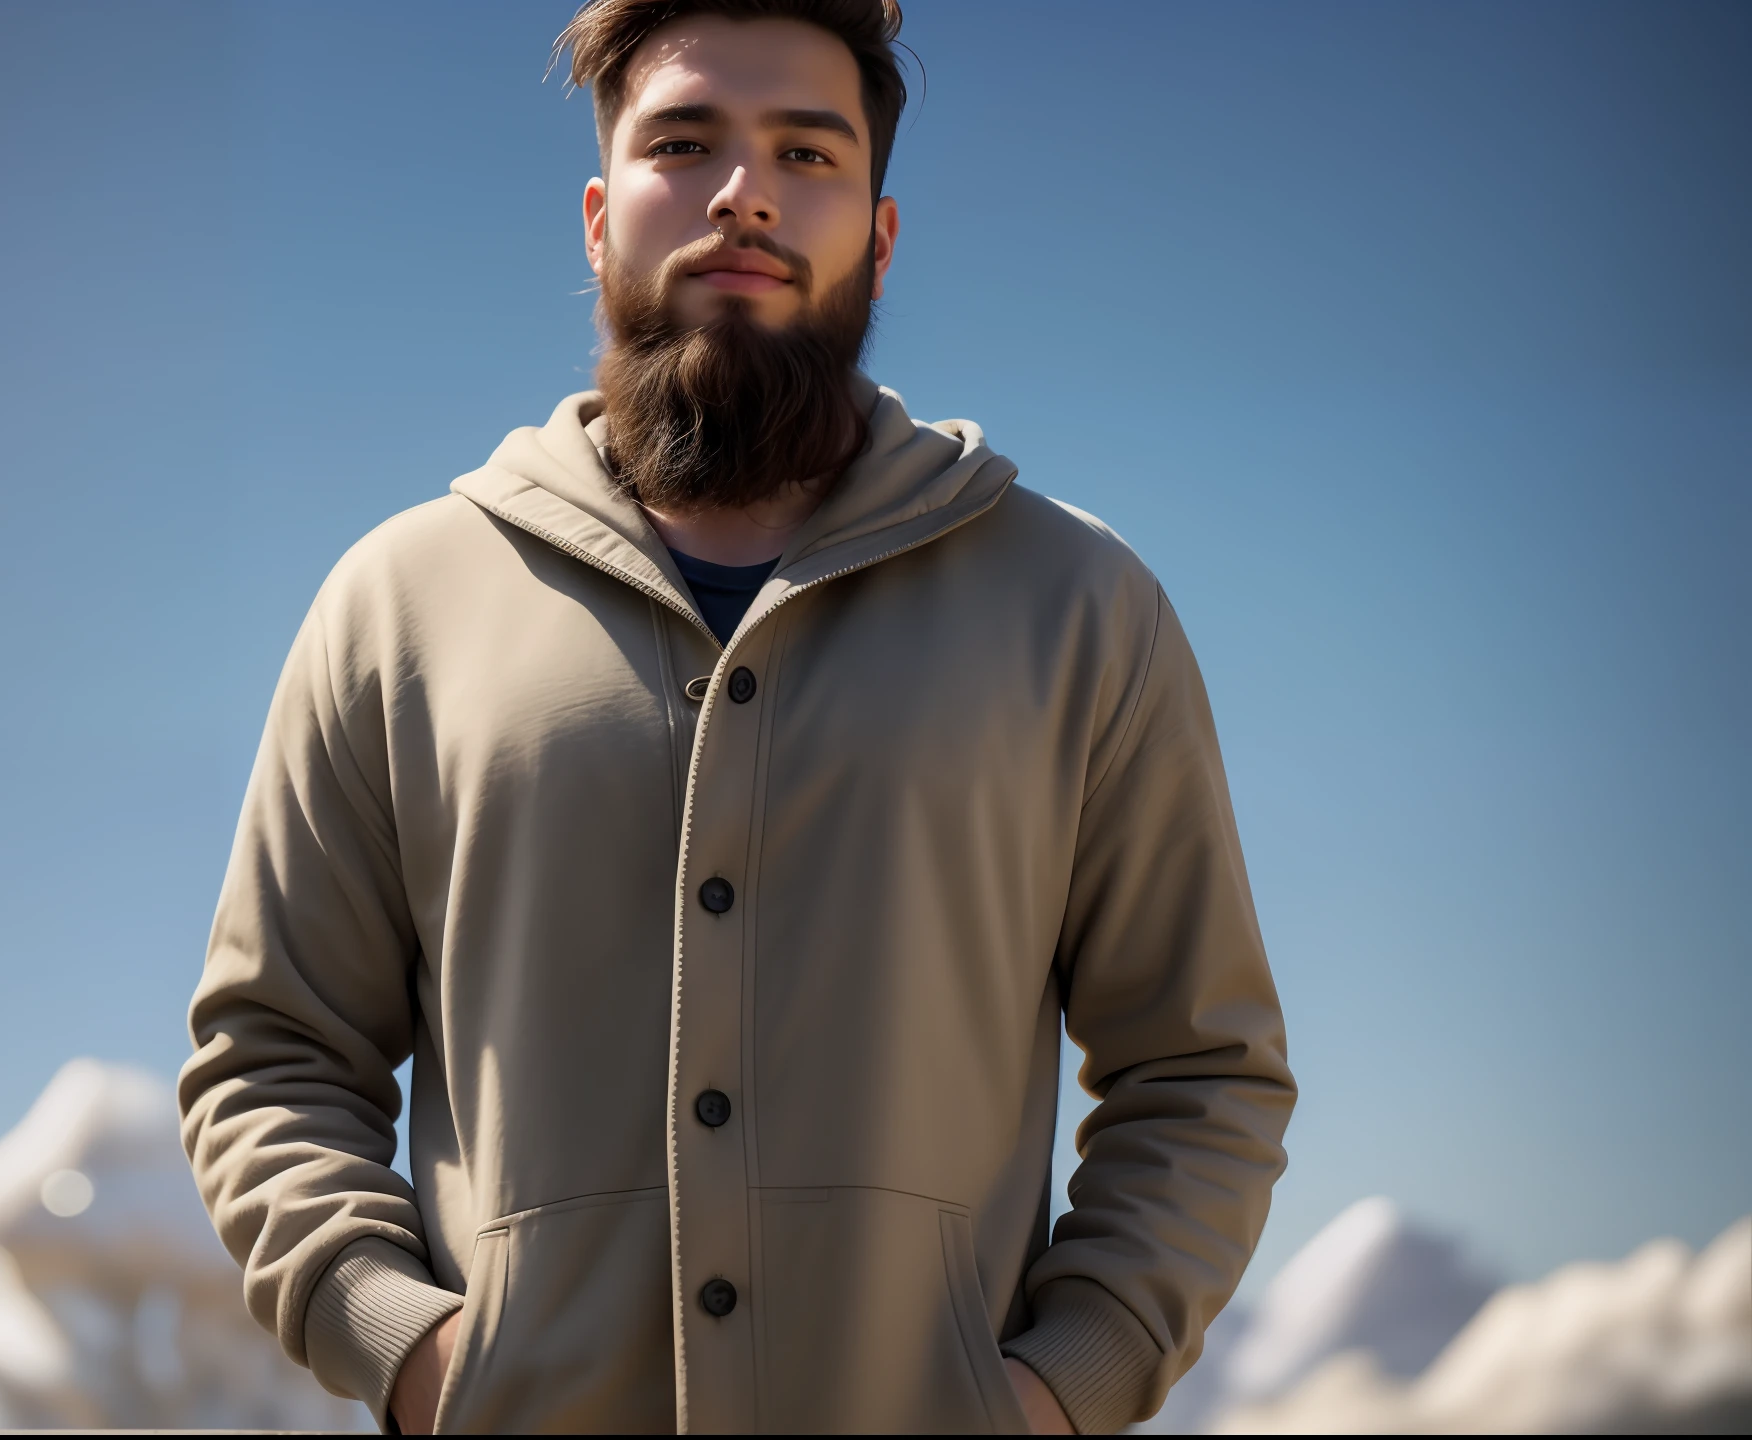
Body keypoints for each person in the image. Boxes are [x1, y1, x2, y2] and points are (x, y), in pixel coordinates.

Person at [179, 1, 1296, 1432]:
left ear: (880, 235)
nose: (743, 192)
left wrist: (1053, 1393)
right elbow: (271, 1056)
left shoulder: (1077, 605)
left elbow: (1200, 1072)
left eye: (807, 153)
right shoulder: (396, 604)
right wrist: (412, 1355)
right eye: (685, 143)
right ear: (598, 216)